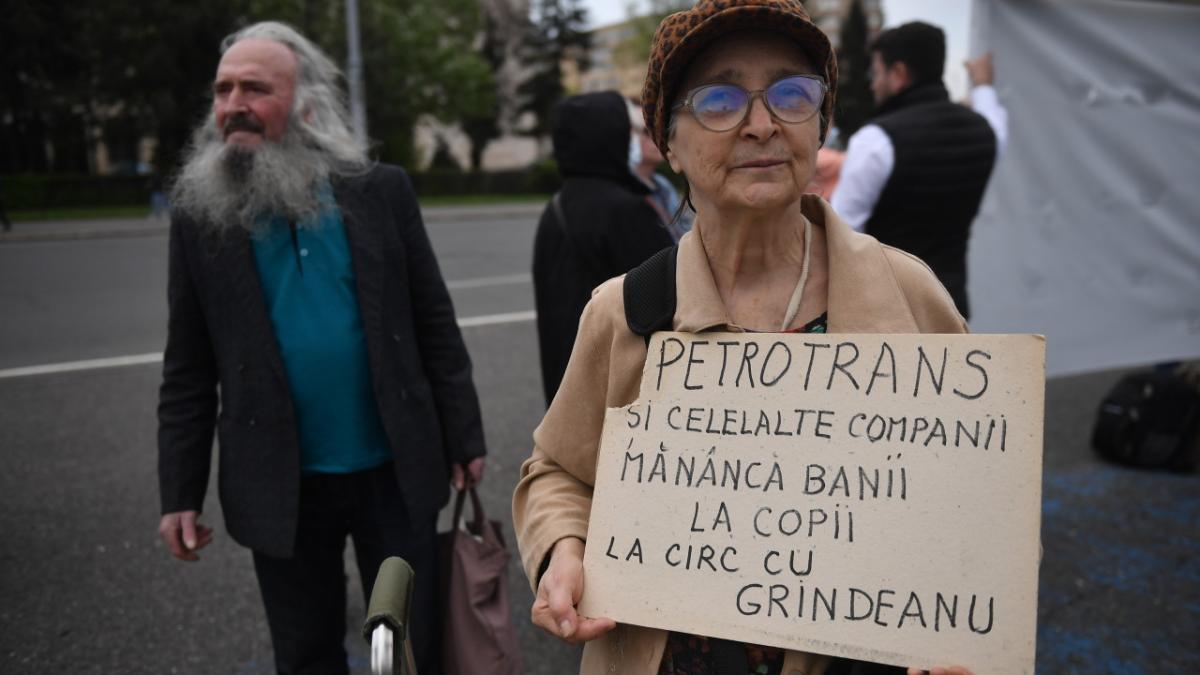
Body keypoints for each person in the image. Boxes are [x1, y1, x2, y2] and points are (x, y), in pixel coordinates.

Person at [513, 1, 977, 674]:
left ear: (819, 123)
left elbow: (976, 495)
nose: (761, 124)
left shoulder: (910, 297)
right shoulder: (624, 312)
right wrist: (564, 547)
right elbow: (558, 473)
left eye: (792, 93)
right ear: (668, 142)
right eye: (720, 99)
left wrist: (959, 616)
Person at [156, 21, 486, 675]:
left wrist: (464, 436)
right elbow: (188, 367)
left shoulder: (379, 189)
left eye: (255, 88)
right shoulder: (201, 215)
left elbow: (433, 320)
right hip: (280, 478)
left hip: (393, 467)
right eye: (223, 89)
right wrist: (179, 490)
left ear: (305, 102)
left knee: (406, 644)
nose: (233, 105)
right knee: (305, 651)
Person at [832, 23, 1008, 319]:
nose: (872, 85)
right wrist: (983, 84)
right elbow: (995, 118)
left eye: (876, 74)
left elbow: (841, 239)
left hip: (887, 313)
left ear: (898, 74)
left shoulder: (876, 140)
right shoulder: (985, 131)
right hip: (950, 309)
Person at [532, 91, 673, 405]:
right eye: (631, 132)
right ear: (611, 137)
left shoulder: (555, 207)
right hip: (623, 392)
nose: (637, 140)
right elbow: (673, 298)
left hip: (569, 382)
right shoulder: (626, 210)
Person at [629, 98, 694, 241]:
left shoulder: (662, 184)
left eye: (657, 129)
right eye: (647, 131)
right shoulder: (624, 193)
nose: (657, 137)